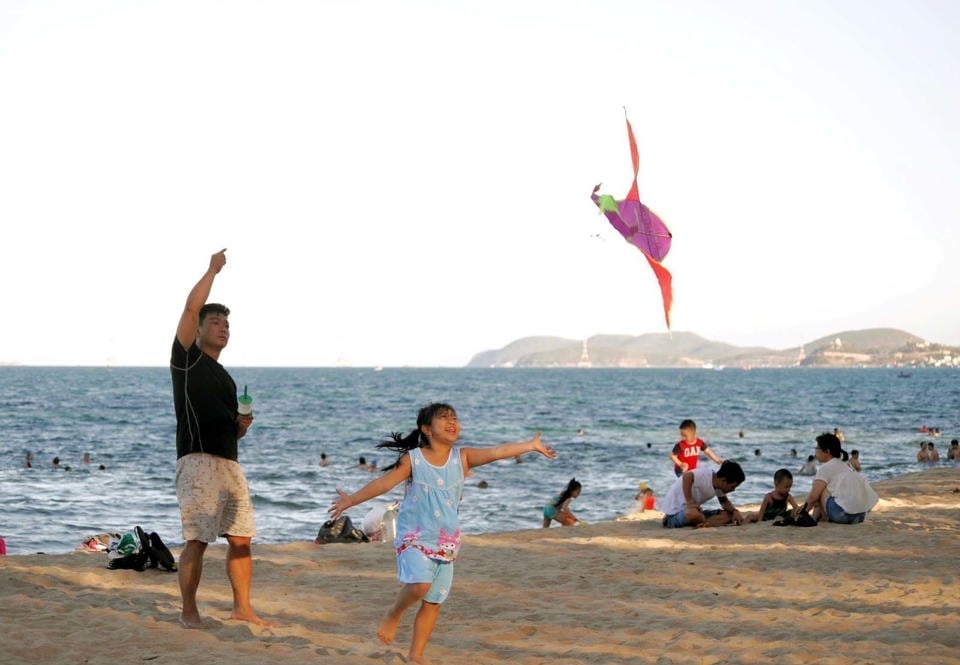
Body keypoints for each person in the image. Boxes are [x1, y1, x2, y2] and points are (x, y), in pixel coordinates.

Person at [328, 402, 555, 665]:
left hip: (446, 541)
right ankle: (394, 613)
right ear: (427, 429)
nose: (452, 422)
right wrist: (352, 500)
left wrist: (530, 445)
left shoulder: (463, 457)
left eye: (455, 418)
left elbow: (497, 452)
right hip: (413, 536)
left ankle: (416, 654)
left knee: (434, 602)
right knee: (420, 585)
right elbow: (384, 482)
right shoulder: (412, 459)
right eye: (444, 418)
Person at [170, 248, 266, 629]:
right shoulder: (186, 360)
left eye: (226, 323)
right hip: (197, 461)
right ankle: (188, 612)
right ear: (198, 329)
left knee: (241, 539)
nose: (223, 328)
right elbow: (190, 308)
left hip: (229, 463)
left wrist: (242, 426)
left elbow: (232, 427)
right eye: (215, 322)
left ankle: (242, 607)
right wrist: (212, 270)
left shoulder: (224, 376)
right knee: (197, 540)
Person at [796, 433, 878, 524]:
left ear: (827, 451)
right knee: (826, 488)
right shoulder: (847, 464)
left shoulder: (825, 468)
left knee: (819, 489)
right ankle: (817, 518)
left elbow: (812, 498)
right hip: (860, 516)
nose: (815, 450)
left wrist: (801, 513)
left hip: (842, 516)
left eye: (817, 447)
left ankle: (818, 518)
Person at [660, 461, 746, 528]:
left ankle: (704, 523)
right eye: (732, 487)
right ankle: (706, 523)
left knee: (728, 515)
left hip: (697, 513)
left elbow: (725, 502)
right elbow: (687, 476)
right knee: (694, 513)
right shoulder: (706, 475)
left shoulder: (718, 486)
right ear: (723, 480)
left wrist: (735, 511)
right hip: (674, 514)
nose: (733, 490)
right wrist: (689, 503)